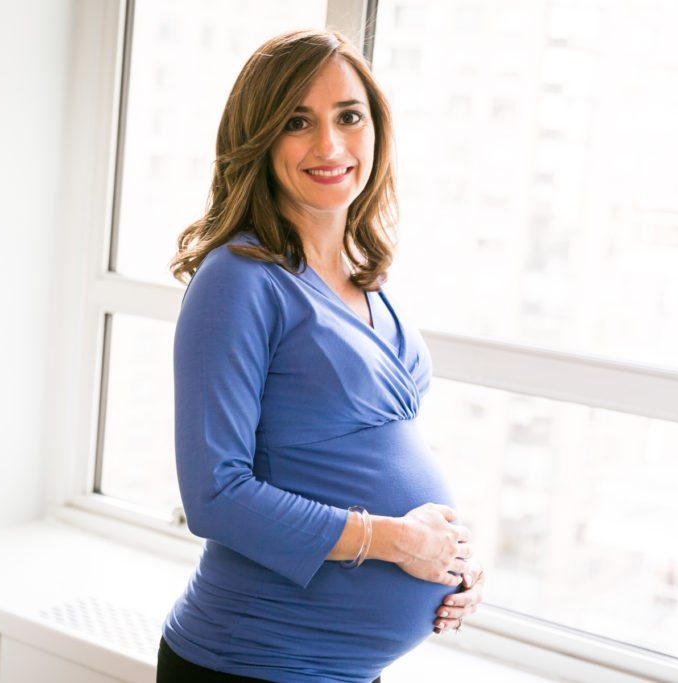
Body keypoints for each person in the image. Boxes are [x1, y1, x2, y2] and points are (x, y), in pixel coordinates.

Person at [159, 28, 486, 683]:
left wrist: (450, 558)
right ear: (259, 138)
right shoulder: (238, 280)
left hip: (345, 670)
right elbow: (215, 495)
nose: (330, 145)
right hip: (253, 663)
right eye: (297, 122)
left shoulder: (367, 277)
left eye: (349, 117)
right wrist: (400, 542)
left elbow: (369, 452)